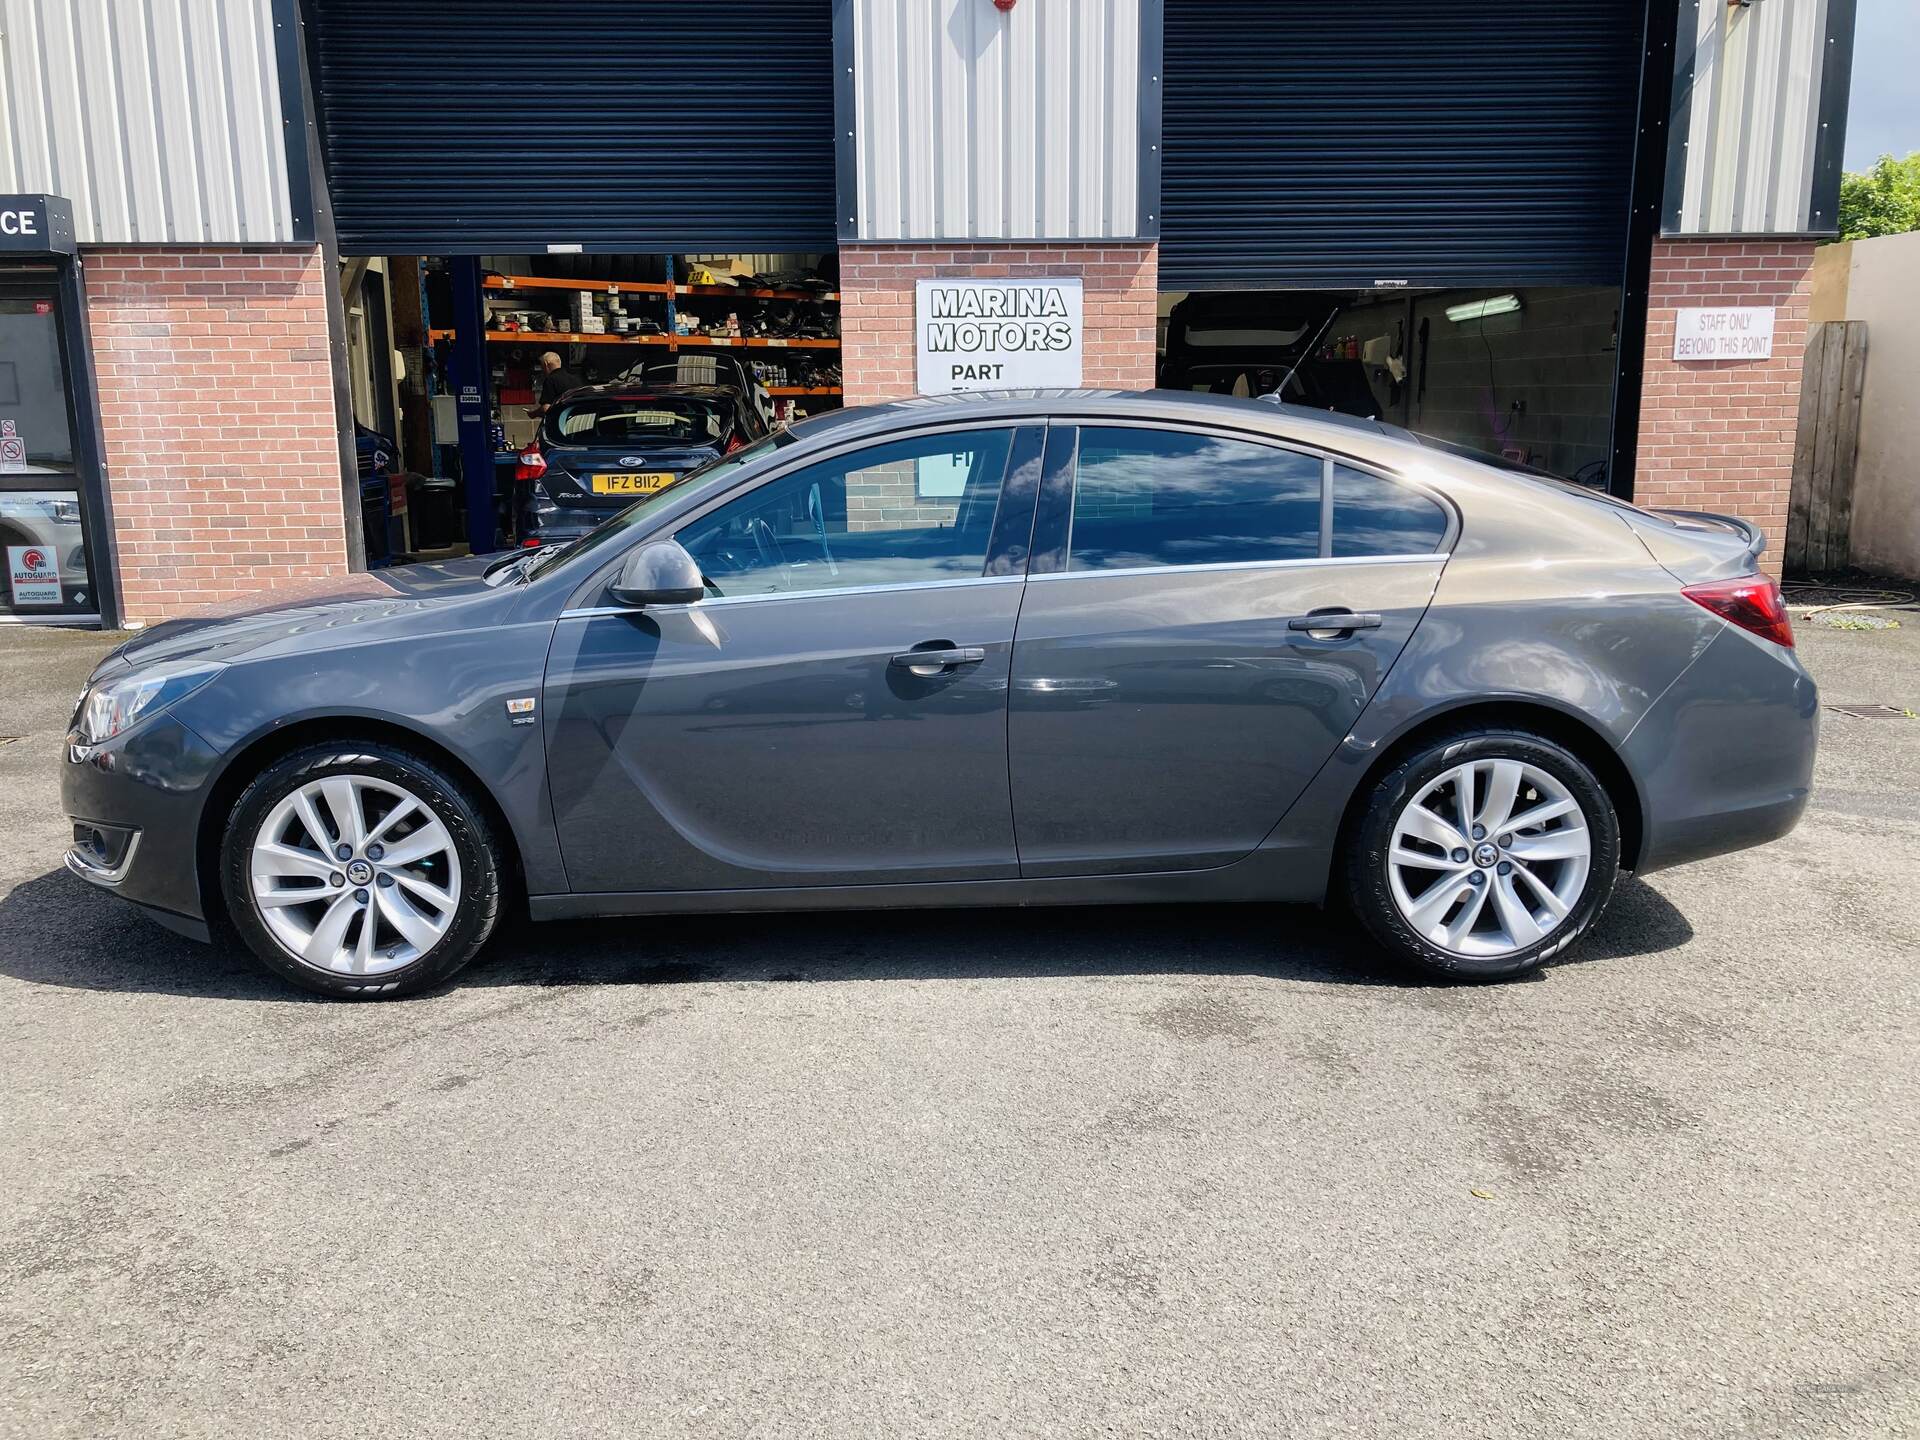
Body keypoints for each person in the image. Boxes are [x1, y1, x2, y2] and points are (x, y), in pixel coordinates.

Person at [528, 351, 582, 419]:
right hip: (576, 420)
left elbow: (546, 408)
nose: (542, 370)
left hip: (560, 423)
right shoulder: (576, 379)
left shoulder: (551, 380)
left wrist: (533, 414)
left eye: (542, 366)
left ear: (546, 364)